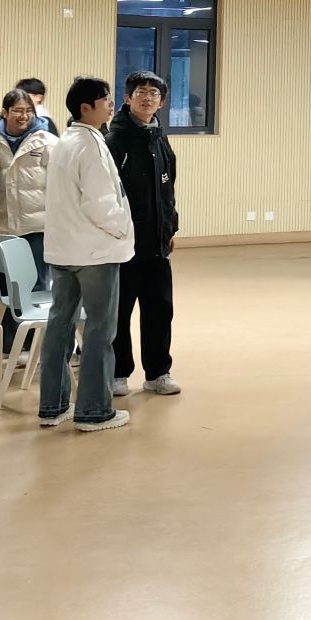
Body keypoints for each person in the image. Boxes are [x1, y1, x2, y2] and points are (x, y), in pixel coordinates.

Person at [39, 76, 132, 431]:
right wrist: (123, 229)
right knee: (99, 330)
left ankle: (52, 406)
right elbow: (101, 203)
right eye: (105, 99)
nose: (111, 104)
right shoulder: (91, 145)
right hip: (94, 253)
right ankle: (94, 410)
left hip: (63, 251)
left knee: (60, 326)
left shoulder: (65, 141)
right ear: (85, 107)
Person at [108, 70, 180, 396]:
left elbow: (168, 191)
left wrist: (169, 229)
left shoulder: (160, 139)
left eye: (154, 93)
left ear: (161, 102)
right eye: (141, 92)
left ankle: (158, 373)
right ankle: (118, 372)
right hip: (124, 244)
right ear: (127, 98)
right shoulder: (115, 141)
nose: (147, 97)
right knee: (119, 311)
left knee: (160, 310)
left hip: (157, 244)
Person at [0, 88, 58, 355]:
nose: (23, 116)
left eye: (28, 111)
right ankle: (10, 345)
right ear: (5, 112)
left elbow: (59, 184)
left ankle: (32, 345)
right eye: (18, 111)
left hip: (38, 226)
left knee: (37, 283)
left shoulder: (47, 141)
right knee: (7, 286)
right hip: (5, 227)